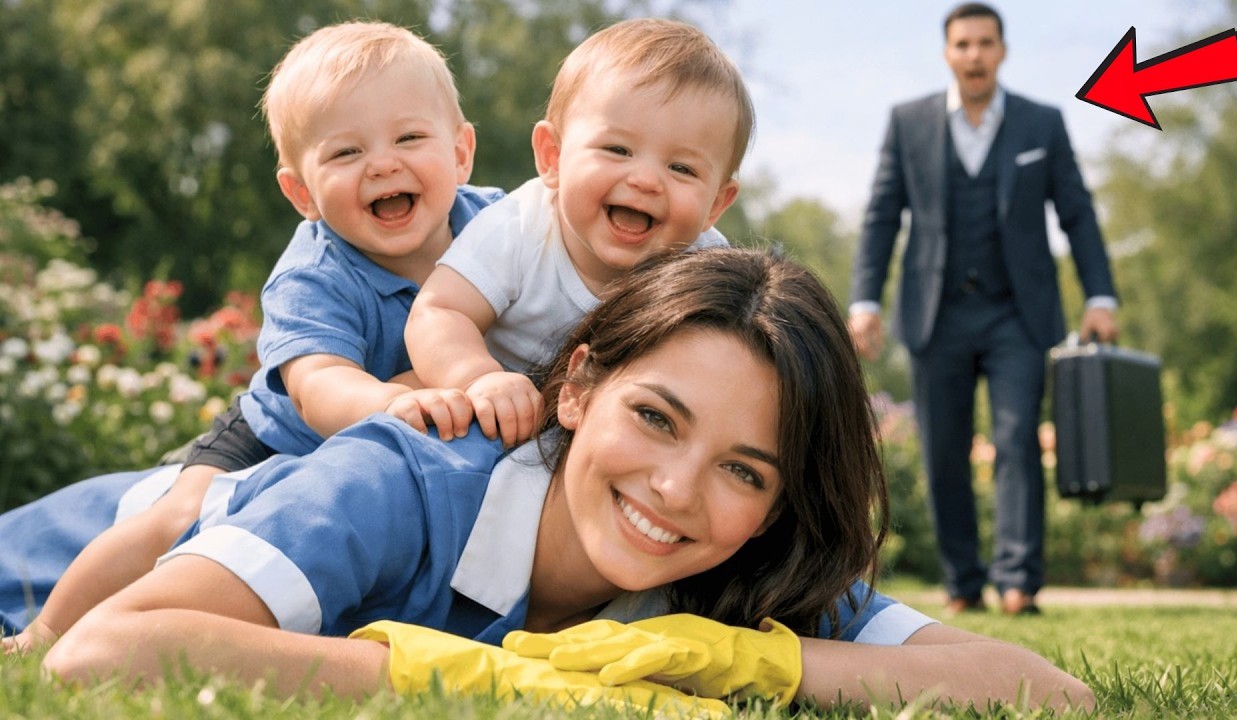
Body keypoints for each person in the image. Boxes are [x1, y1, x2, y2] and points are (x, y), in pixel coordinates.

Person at [23, 248, 1093, 713]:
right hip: (40, 572)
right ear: (577, 386)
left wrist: (728, 658)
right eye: (653, 417)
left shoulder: (734, 573)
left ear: (776, 502)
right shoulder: (401, 479)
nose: (676, 490)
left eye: (742, 469)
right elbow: (107, 650)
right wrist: (515, 686)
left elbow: (1046, 695)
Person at [4, 21, 502, 651]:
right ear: (302, 193)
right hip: (274, 435)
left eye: (409, 137)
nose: (383, 163)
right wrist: (391, 404)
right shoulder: (315, 274)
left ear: (460, 153)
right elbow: (318, 386)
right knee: (177, 521)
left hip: (387, 437)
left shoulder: (498, 227)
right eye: (346, 153)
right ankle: (45, 632)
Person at [847, 2, 1119, 616]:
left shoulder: (1041, 124)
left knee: (1019, 440)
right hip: (935, 313)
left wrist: (1100, 296)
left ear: (1002, 51)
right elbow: (881, 217)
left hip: (1017, 315)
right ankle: (963, 582)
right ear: (948, 53)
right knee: (944, 450)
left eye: (984, 43)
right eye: (963, 44)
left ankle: (1019, 581)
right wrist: (865, 301)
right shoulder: (909, 121)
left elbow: (1076, 213)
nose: (974, 54)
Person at [393, 18, 746, 448]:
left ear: (716, 204)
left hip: (604, 433)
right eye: (618, 150)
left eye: (682, 168)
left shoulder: (708, 265)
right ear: (553, 157)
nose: (646, 180)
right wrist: (478, 377)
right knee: (419, 402)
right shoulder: (519, 228)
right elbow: (438, 312)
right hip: (496, 409)